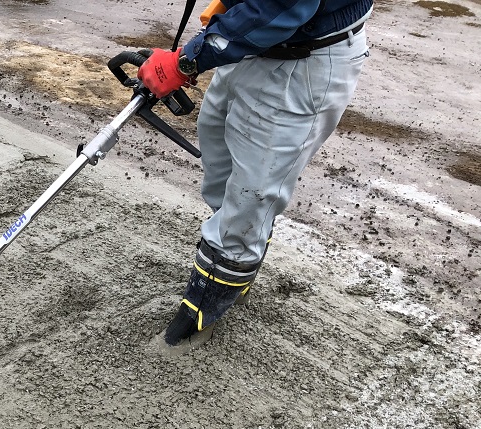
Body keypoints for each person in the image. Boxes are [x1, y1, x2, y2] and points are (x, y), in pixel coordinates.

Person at [137, 0, 372, 346]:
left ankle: (197, 322)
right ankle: (239, 266)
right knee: (220, 165)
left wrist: (189, 60)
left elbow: (283, 5)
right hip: (255, 37)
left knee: (251, 195)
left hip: (304, 56)